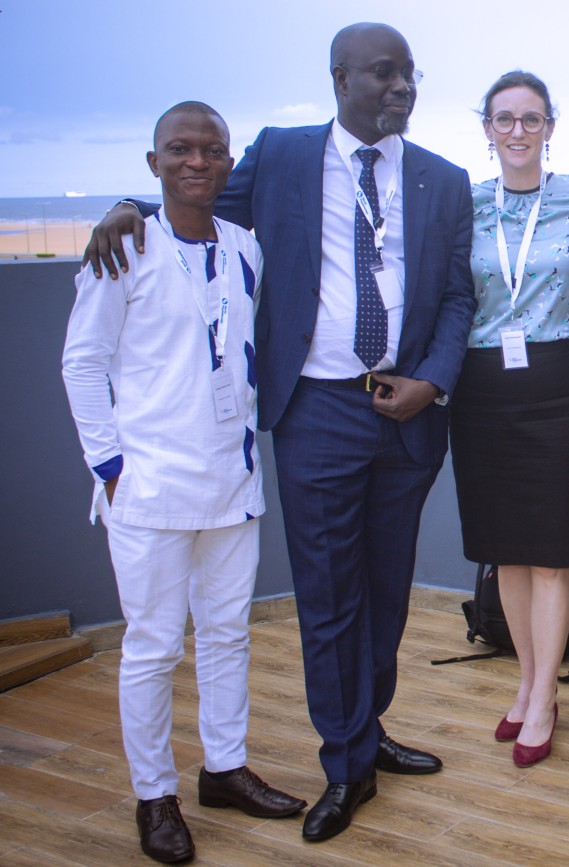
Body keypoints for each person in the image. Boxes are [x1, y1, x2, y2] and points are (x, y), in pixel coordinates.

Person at [83, 23, 476, 840]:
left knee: (388, 591)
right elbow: (190, 201)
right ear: (340, 79)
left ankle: (367, 727)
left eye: (410, 75)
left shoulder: (445, 179)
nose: (401, 87)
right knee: (330, 598)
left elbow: (456, 301)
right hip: (316, 410)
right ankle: (346, 763)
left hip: (405, 408)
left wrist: (433, 379)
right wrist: (126, 204)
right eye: (382, 74)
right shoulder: (282, 155)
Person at [63, 102, 306, 863]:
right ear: (154, 162)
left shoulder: (245, 248)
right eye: (180, 150)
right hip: (149, 487)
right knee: (154, 645)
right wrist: (109, 468)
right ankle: (154, 794)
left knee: (229, 634)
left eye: (212, 151)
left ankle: (225, 769)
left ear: (229, 164)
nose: (197, 161)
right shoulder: (124, 248)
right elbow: (82, 363)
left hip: (231, 480)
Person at [452, 71, 569, 768]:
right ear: (486, 127)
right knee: (505, 547)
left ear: (550, 125)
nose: (517, 130)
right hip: (483, 390)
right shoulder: (465, 205)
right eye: (505, 118)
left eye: (531, 118)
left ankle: (544, 696)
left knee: (550, 548)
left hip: (559, 386)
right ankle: (524, 679)